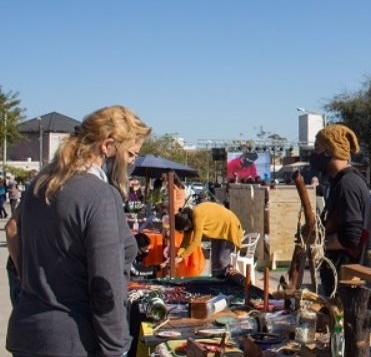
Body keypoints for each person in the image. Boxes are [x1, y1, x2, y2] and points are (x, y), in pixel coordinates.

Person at [6, 105, 150, 357]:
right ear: (107, 146)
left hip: (28, 334)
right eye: (130, 154)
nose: (132, 163)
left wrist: (34, 285)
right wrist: (116, 348)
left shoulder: (40, 184)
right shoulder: (99, 194)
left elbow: (12, 231)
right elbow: (104, 286)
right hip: (75, 341)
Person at [312, 124, 371, 295]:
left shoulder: (347, 184)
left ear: (330, 151)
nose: (314, 154)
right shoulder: (340, 182)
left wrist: (319, 245)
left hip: (351, 284)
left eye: (317, 148)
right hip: (343, 280)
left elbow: (351, 237)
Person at [168, 202, 244, 277]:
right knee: (215, 261)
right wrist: (178, 256)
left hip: (230, 227)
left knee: (221, 261)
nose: (184, 231)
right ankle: (216, 284)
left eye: (184, 229)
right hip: (218, 230)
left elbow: (196, 242)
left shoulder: (197, 215)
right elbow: (185, 242)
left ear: (187, 223)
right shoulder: (187, 221)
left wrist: (182, 256)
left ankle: (225, 285)